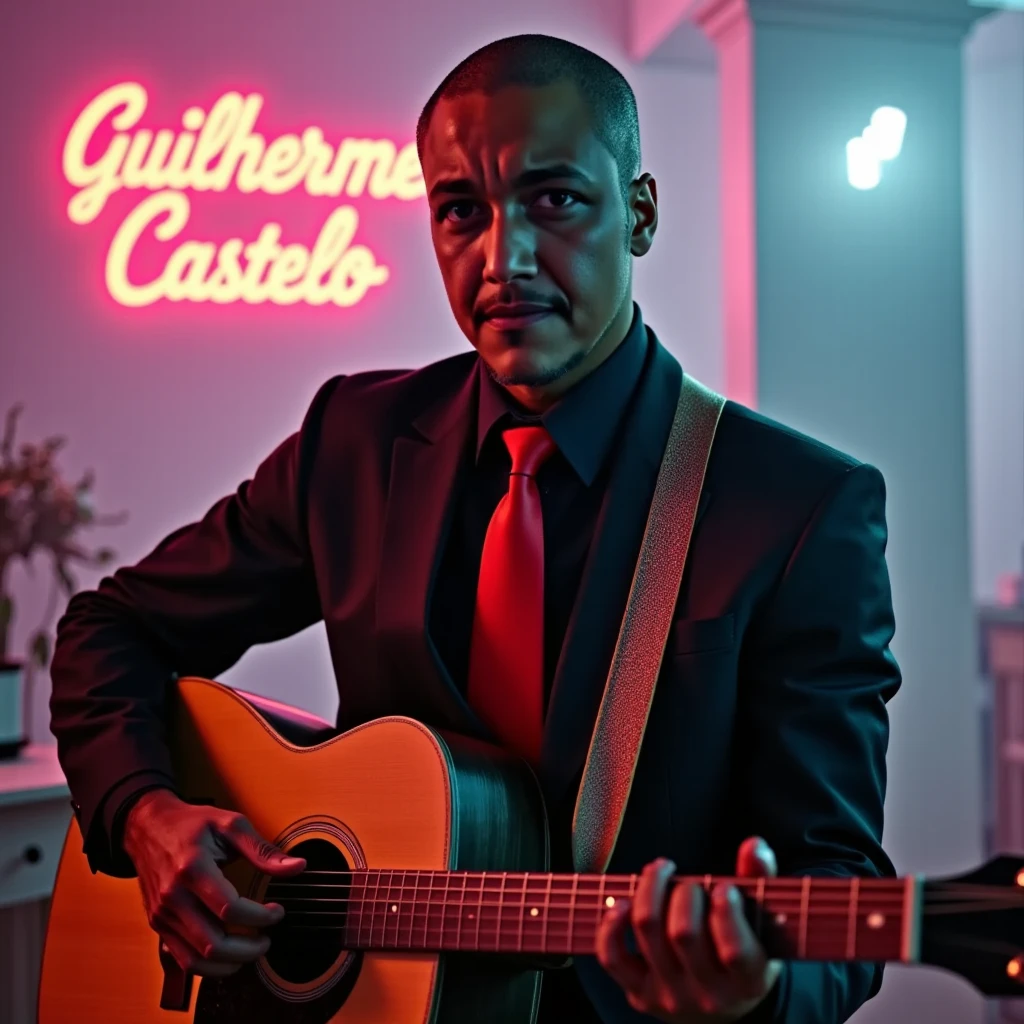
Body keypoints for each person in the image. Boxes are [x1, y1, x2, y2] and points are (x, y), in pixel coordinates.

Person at [49, 32, 901, 1024]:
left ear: (639, 213)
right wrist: (145, 813)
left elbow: (835, 885)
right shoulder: (354, 443)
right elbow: (111, 630)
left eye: (555, 199)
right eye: (461, 212)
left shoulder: (796, 507)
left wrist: (753, 989)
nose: (505, 259)